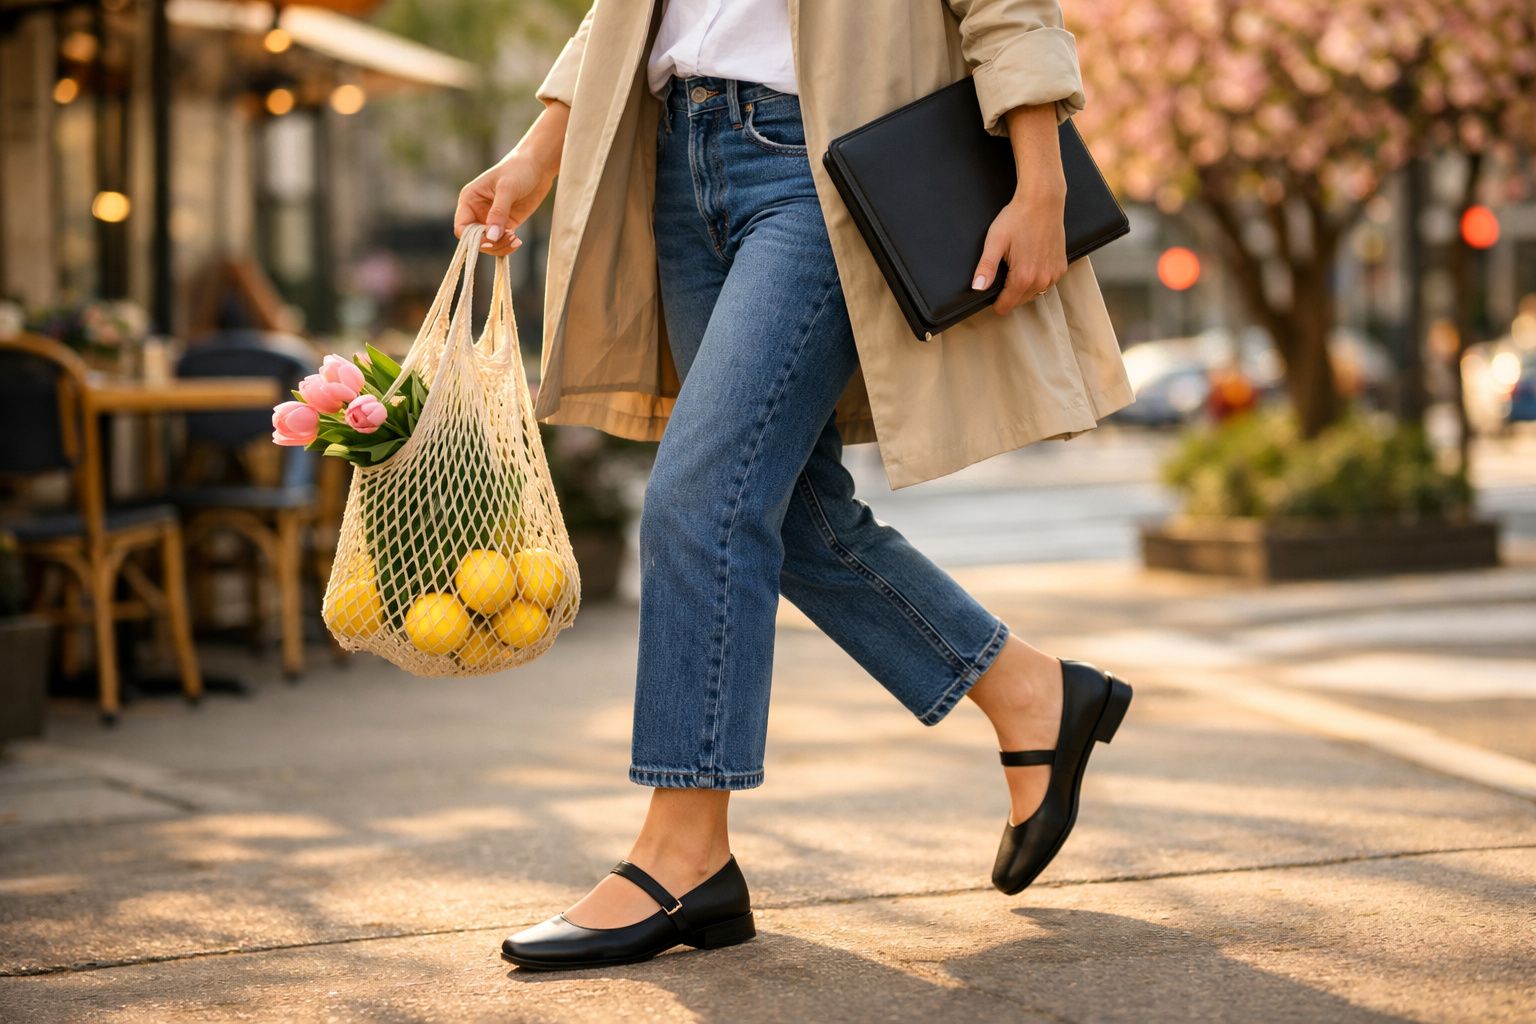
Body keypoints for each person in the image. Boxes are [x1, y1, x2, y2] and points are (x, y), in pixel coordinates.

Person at [453, 0, 1136, 971]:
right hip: (676, 155)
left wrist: (1041, 178)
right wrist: (536, 151)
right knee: (797, 515)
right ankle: (1031, 691)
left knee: (700, 505)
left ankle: (682, 849)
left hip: (820, 157)